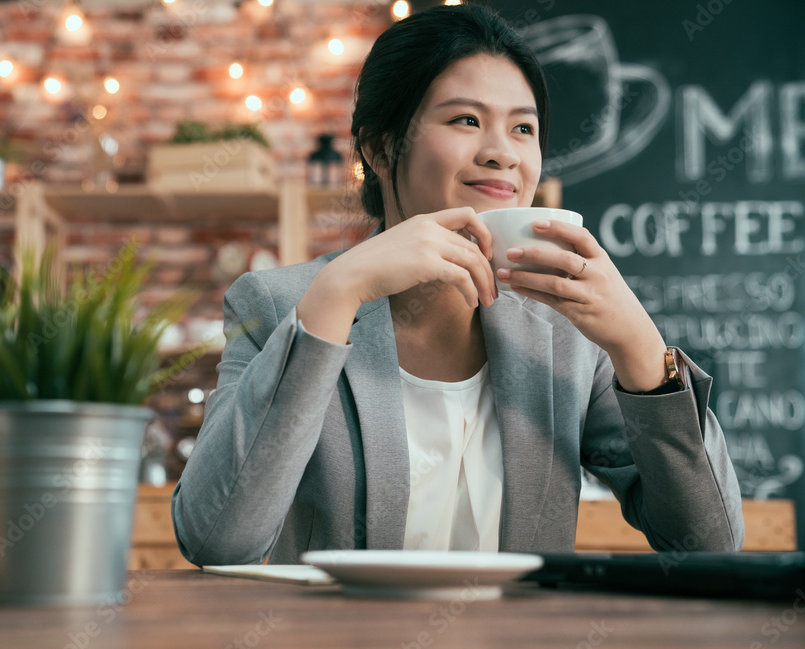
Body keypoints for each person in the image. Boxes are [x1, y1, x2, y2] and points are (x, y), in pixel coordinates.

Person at [171, 3, 744, 566]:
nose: (501, 154)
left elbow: (709, 541)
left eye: (523, 128)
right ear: (379, 147)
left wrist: (639, 346)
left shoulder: (567, 334)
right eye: (466, 120)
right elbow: (217, 538)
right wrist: (339, 291)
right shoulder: (280, 306)